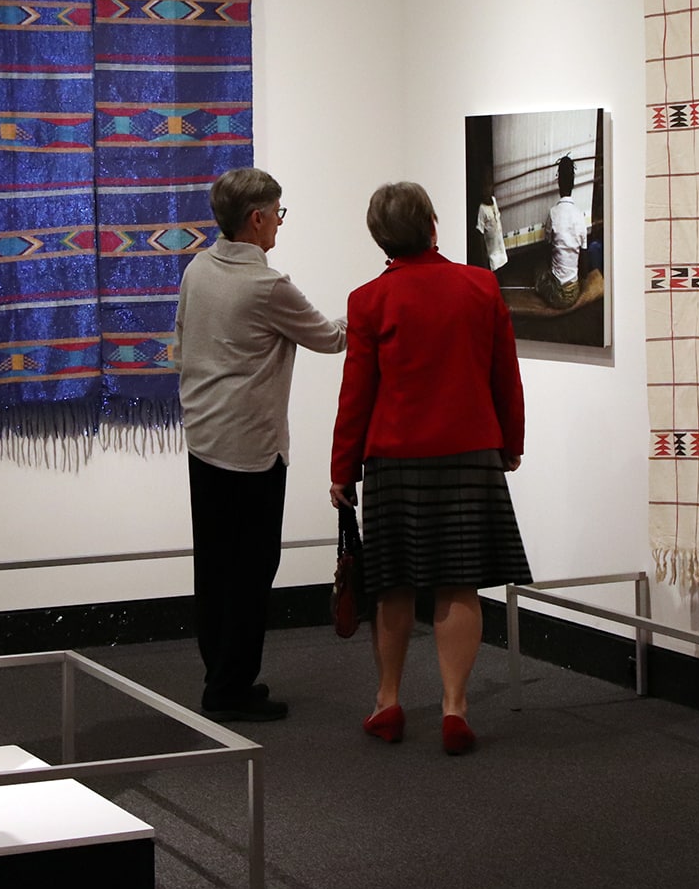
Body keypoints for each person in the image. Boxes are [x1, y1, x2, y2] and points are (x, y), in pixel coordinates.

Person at [331, 181, 530, 755]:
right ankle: (454, 709)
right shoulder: (479, 285)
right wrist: (510, 443)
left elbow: (357, 394)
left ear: (380, 237)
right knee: (458, 582)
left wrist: (343, 469)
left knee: (391, 586)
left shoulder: (369, 300)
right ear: (434, 224)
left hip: (395, 457)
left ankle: (388, 703)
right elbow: (504, 377)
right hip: (470, 453)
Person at [175, 167, 346, 721]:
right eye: (278, 213)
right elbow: (330, 337)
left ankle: (219, 676)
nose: (280, 223)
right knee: (252, 572)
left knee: (215, 568)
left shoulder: (198, 269)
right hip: (251, 449)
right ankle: (229, 689)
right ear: (257, 218)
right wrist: (375, 303)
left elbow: (180, 344)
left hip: (205, 440)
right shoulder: (267, 286)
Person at [535, 154, 588, 308]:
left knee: (538, 269)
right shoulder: (580, 216)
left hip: (556, 294)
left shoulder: (553, 213)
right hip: (573, 293)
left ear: (559, 182)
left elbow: (547, 251)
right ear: (573, 183)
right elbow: (584, 264)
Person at [473, 169, 508, 272]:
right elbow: (480, 233)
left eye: (488, 186)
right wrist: (484, 260)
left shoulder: (494, 200)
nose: (486, 190)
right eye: (484, 187)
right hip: (492, 254)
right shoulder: (482, 209)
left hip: (501, 250)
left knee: (502, 273)